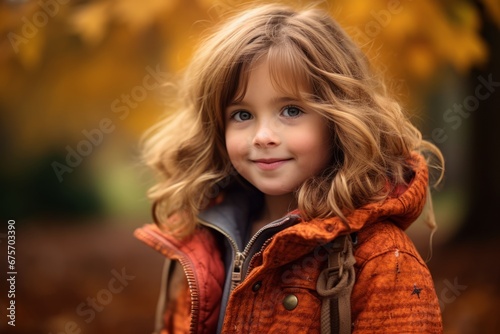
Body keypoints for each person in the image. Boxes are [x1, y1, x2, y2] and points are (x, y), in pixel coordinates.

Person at [135, 3, 445, 333]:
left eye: (291, 110)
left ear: (338, 119)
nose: (263, 136)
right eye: (242, 114)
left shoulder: (381, 260)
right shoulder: (203, 240)